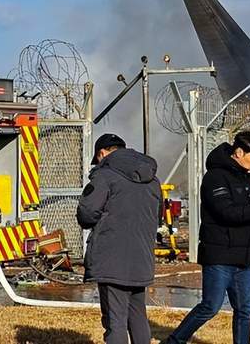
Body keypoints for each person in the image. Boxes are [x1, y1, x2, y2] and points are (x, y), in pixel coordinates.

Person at [162, 132, 250, 344]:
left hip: (244, 257)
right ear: (238, 152)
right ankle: (175, 341)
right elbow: (226, 211)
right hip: (220, 255)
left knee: (245, 309)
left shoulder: (247, 178)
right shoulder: (215, 177)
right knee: (210, 306)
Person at [77, 133, 161, 344]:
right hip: (142, 259)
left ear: (101, 154)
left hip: (111, 259)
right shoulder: (152, 179)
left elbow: (87, 214)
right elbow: (156, 217)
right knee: (138, 318)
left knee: (115, 322)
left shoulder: (104, 175)